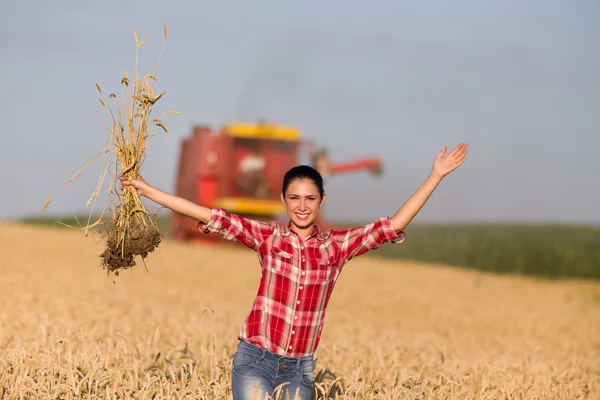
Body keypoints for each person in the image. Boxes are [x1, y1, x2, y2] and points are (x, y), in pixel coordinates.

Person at [119, 143, 469, 400]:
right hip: (254, 359)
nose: (302, 206)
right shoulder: (268, 237)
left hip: (299, 368)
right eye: (295, 198)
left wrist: (435, 175)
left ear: (322, 201)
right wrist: (149, 190)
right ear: (284, 201)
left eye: (310, 199)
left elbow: (393, 224)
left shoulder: (337, 247)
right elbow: (209, 215)